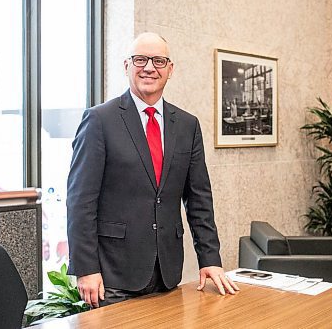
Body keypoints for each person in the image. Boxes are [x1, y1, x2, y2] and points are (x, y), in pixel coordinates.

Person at [66, 32, 239, 308]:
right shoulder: (100, 120)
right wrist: (86, 268)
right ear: (126, 66)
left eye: (158, 60)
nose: (149, 67)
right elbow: (80, 201)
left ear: (170, 70)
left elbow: (199, 201)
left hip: (167, 273)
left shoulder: (187, 125)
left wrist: (210, 259)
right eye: (140, 59)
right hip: (114, 277)